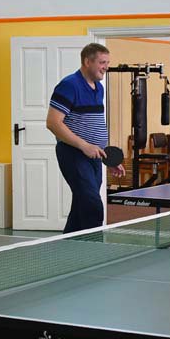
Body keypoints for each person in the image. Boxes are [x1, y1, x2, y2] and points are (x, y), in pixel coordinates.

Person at [46, 43, 125, 233]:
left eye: (107, 63)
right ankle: (93, 248)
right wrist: (84, 146)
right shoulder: (69, 85)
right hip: (73, 154)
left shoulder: (99, 88)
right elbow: (53, 123)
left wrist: (107, 158)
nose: (106, 67)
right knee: (92, 206)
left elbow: (92, 125)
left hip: (94, 157)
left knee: (81, 206)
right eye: (102, 62)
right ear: (87, 62)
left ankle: (69, 245)